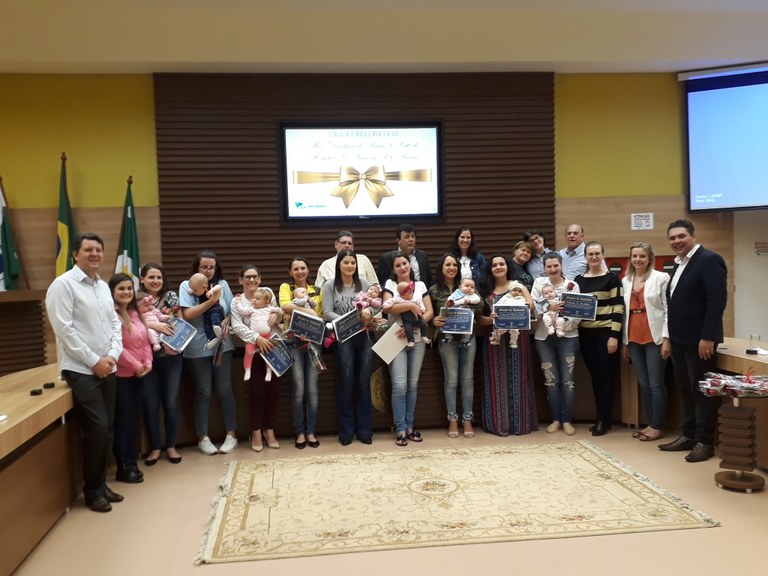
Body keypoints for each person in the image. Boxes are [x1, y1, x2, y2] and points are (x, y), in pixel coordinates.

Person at [45, 232, 124, 512]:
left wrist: (113, 355)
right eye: (88, 250)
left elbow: (115, 324)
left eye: (98, 250)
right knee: (97, 427)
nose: (94, 254)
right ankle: (92, 491)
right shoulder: (63, 285)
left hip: (107, 364)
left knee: (109, 427)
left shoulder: (102, 286)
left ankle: (101, 483)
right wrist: (94, 361)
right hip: (80, 368)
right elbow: (64, 329)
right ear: (75, 254)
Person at [659, 219, 727, 463]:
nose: (676, 241)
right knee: (686, 389)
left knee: (701, 391)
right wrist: (668, 338)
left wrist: (708, 336)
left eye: (681, 236)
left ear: (693, 236)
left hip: (700, 341)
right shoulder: (679, 265)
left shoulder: (709, 260)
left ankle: (704, 441)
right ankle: (688, 435)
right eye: (672, 238)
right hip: (679, 340)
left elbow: (717, 300)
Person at [179, 251, 238, 456]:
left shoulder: (222, 284)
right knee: (203, 392)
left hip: (223, 345)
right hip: (197, 348)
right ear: (197, 267)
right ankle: (202, 437)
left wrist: (228, 318)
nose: (208, 270)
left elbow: (231, 309)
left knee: (224, 389)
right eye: (204, 267)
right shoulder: (188, 285)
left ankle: (231, 434)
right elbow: (187, 314)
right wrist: (211, 302)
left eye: (211, 267)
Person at [478, 254, 538, 436]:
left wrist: (518, 309)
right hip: (493, 340)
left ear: (507, 266)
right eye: (494, 264)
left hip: (517, 337)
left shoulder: (517, 285)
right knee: (496, 380)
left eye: (501, 264)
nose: (498, 267)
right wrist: (489, 320)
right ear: (490, 269)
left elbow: (531, 305)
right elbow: (479, 317)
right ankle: (497, 424)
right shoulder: (484, 289)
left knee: (518, 378)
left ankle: (520, 424)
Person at [321, 250, 375, 445]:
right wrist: (348, 321)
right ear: (339, 265)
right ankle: (346, 431)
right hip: (342, 338)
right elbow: (327, 312)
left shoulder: (364, 284)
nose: (350, 266)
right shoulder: (329, 285)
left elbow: (376, 305)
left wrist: (369, 310)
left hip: (365, 336)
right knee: (346, 380)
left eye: (352, 262)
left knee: (363, 381)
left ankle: (364, 430)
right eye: (346, 263)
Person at [382, 250, 434, 446]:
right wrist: (411, 307)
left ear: (409, 265)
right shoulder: (390, 285)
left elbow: (429, 312)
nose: (402, 267)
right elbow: (388, 308)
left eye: (405, 263)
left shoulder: (420, 285)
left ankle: (410, 426)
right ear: (394, 269)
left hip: (418, 338)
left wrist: (412, 324)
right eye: (398, 265)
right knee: (399, 385)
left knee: (412, 385)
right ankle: (400, 428)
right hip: (394, 338)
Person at [430, 254, 484, 438]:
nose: (452, 267)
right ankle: (452, 419)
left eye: (454, 264)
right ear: (441, 267)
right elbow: (430, 316)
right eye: (448, 264)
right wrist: (434, 321)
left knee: (467, 380)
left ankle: (467, 419)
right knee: (451, 380)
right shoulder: (435, 290)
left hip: (468, 339)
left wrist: (469, 299)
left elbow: (481, 305)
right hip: (447, 341)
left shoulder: (468, 286)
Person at [229, 265, 282, 452]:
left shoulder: (267, 294)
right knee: (256, 393)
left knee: (272, 392)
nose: (251, 280)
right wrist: (256, 338)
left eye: (255, 277)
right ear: (240, 279)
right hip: (253, 351)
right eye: (247, 277)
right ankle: (257, 432)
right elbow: (236, 326)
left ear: (259, 279)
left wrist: (277, 314)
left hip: (272, 349)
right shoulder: (238, 302)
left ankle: (270, 430)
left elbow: (277, 314)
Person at [575, 241, 625, 437]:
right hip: (585, 334)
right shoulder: (578, 280)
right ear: (585, 257)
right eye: (590, 254)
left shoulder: (612, 279)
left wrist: (614, 335)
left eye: (597, 253)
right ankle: (602, 417)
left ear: (603, 255)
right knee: (595, 377)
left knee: (605, 377)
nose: (594, 257)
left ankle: (604, 420)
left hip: (606, 334)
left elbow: (618, 308)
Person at [622, 242, 670, 442]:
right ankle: (650, 423)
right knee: (643, 383)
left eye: (642, 256)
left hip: (655, 335)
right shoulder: (626, 280)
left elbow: (668, 309)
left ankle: (658, 426)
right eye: (634, 256)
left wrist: (667, 339)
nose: (638, 260)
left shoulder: (661, 277)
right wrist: (624, 342)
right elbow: (624, 312)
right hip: (633, 335)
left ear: (650, 258)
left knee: (656, 383)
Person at [531, 252, 581, 436]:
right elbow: (533, 307)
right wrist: (548, 308)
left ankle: (567, 420)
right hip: (544, 337)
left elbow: (578, 312)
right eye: (549, 266)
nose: (552, 269)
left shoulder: (572, 285)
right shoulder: (539, 284)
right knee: (551, 380)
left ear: (561, 266)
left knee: (567, 381)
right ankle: (555, 419)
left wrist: (563, 327)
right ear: (544, 268)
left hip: (568, 336)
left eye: (556, 266)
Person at [109, 273, 152, 484]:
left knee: (134, 420)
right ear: (112, 292)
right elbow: (117, 347)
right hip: (121, 377)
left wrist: (148, 363)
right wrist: (137, 366)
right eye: (121, 289)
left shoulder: (135, 313)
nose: (126, 292)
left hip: (139, 375)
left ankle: (133, 461)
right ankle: (123, 466)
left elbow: (144, 342)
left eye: (129, 288)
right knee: (123, 422)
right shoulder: (111, 315)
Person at [139, 262, 183, 465]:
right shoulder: (135, 299)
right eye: (151, 277)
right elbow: (128, 322)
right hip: (145, 359)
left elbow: (175, 321)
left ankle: (171, 446)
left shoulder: (171, 296)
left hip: (171, 357)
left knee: (171, 403)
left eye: (159, 277)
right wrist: (153, 324)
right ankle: (155, 447)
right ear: (142, 279)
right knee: (151, 404)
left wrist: (152, 323)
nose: (156, 281)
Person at [279, 257, 323, 449]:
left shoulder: (317, 290)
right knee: (298, 389)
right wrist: (310, 313)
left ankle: (311, 431)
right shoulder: (285, 288)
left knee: (312, 390)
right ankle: (299, 433)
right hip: (293, 343)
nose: (299, 271)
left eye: (303, 268)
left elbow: (319, 314)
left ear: (308, 270)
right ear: (290, 272)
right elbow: (284, 306)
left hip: (314, 342)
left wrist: (309, 314)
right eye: (295, 269)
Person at [233, 287, 283, 382]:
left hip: (267, 336)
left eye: (257, 299)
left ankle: (269, 371)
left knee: (268, 354)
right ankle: (248, 370)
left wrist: (277, 314)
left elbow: (281, 310)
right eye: (254, 298)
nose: (254, 300)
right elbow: (242, 311)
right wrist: (238, 301)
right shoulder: (251, 309)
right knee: (248, 352)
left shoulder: (269, 309)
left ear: (266, 302)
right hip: (253, 337)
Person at [315, 230, 379, 288]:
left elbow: (375, 284)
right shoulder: (326, 265)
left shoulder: (363, 260)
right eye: (343, 243)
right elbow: (318, 290)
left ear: (353, 246)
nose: (347, 245)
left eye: (350, 243)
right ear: (336, 244)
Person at [377, 223, 433, 288]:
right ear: (398, 240)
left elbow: (429, 280)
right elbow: (382, 283)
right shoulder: (386, 258)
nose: (411, 240)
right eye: (407, 237)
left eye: (413, 236)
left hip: (420, 294)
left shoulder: (422, 255)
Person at [382, 281, 431, 348]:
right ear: (402, 294)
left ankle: (424, 336)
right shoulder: (398, 299)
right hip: (407, 320)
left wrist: (422, 309)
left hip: (418, 317)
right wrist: (386, 305)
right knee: (408, 328)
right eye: (410, 293)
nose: (412, 294)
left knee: (423, 323)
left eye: (412, 292)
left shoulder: (415, 298)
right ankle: (411, 341)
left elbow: (420, 303)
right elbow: (388, 304)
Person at [187, 272, 225, 349]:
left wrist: (212, 290)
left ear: (204, 287)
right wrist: (192, 291)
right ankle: (212, 338)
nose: (193, 292)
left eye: (195, 290)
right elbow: (194, 290)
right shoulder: (199, 289)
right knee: (206, 326)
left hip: (216, 308)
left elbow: (219, 287)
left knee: (214, 317)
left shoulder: (209, 287)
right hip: (206, 313)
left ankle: (217, 327)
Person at [489, 280, 527, 348]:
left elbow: (523, 308)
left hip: (515, 319)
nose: (517, 292)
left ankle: (513, 342)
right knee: (498, 328)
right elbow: (498, 304)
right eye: (515, 290)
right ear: (510, 290)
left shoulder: (521, 299)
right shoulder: (506, 297)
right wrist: (494, 311)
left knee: (515, 331)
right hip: (504, 317)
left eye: (519, 291)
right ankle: (496, 338)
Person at [444, 277, 481, 346]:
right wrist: (449, 302)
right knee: (447, 323)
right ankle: (448, 337)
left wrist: (470, 301)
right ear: (460, 287)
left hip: (465, 316)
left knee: (467, 327)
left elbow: (478, 300)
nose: (469, 288)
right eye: (467, 286)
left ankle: (465, 340)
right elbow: (450, 299)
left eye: (472, 287)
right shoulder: (457, 293)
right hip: (454, 314)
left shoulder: (472, 295)